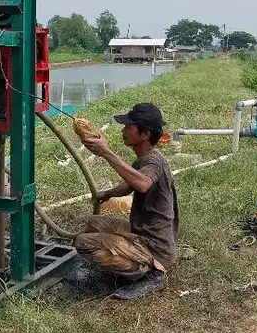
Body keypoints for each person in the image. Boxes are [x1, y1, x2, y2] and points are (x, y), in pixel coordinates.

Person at [74, 102, 179, 300]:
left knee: (83, 243)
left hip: (155, 246)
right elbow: (130, 183)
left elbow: (141, 184)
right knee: (94, 223)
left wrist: (106, 152)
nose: (123, 131)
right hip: (141, 232)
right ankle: (134, 259)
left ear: (145, 134)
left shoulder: (154, 162)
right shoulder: (144, 158)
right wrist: (108, 193)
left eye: (129, 127)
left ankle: (152, 272)